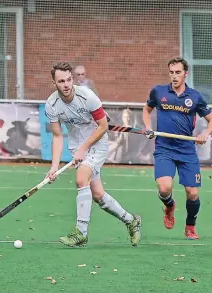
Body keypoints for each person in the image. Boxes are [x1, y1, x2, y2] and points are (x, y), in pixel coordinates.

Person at [44, 61, 141, 247]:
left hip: (97, 142)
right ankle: (131, 221)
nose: (66, 85)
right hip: (76, 145)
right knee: (97, 194)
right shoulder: (51, 105)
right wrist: (54, 167)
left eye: (69, 80)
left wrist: (84, 148)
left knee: (81, 179)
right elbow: (57, 136)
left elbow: (103, 126)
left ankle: (81, 232)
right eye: (61, 81)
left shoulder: (87, 96)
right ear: (54, 83)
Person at [142, 57, 212, 240]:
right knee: (164, 187)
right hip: (164, 148)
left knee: (192, 193)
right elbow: (146, 110)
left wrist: (205, 134)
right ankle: (169, 206)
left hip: (186, 150)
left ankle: (190, 226)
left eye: (178, 72)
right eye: (171, 72)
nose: (174, 76)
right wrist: (148, 128)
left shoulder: (195, 97)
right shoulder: (159, 92)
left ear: (186, 74)